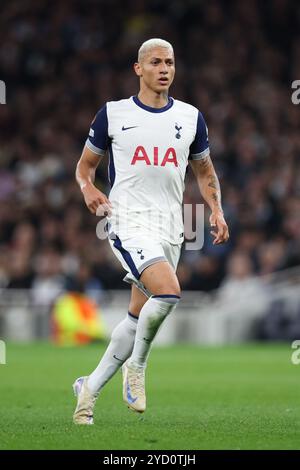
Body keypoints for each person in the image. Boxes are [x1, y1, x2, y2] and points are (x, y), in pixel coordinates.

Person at [73, 38, 229, 424]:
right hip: (126, 221)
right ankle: (137, 368)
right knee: (169, 290)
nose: (164, 69)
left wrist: (216, 210)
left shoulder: (191, 117)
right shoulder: (112, 114)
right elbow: (84, 168)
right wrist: (89, 189)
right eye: (156, 62)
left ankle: (87, 390)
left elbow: (205, 172)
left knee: (136, 317)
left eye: (170, 62)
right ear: (138, 69)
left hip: (170, 227)